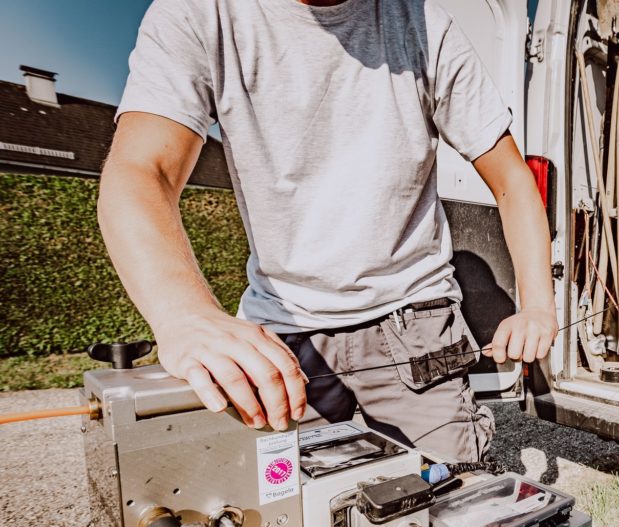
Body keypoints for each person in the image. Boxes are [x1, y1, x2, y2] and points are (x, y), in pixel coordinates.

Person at [97, 0, 557, 462]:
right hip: (284, 332)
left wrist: (538, 304)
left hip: (415, 321)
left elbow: (513, 180)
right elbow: (141, 170)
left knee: (448, 505)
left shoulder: (424, 24)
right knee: (288, 518)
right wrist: (184, 316)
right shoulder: (200, 13)